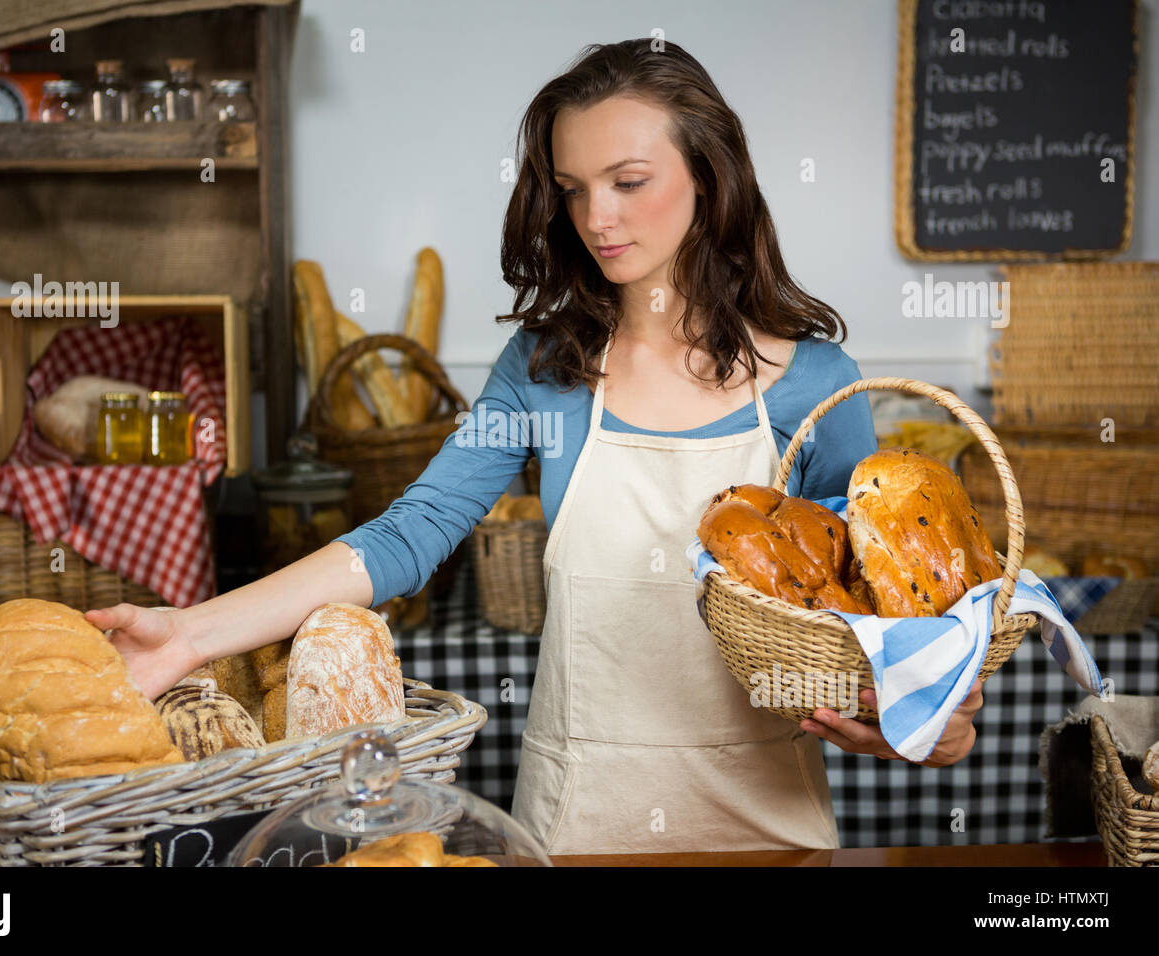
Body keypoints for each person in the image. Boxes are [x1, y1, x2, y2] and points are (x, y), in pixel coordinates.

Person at [86, 38, 983, 855]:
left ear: (709, 177)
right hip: (573, 827)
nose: (597, 216)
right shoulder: (544, 370)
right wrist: (187, 635)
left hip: (768, 832)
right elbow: (410, 533)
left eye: (629, 181)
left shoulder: (817, 383)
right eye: (571, 187)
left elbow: (881, 612)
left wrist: (939, 718)